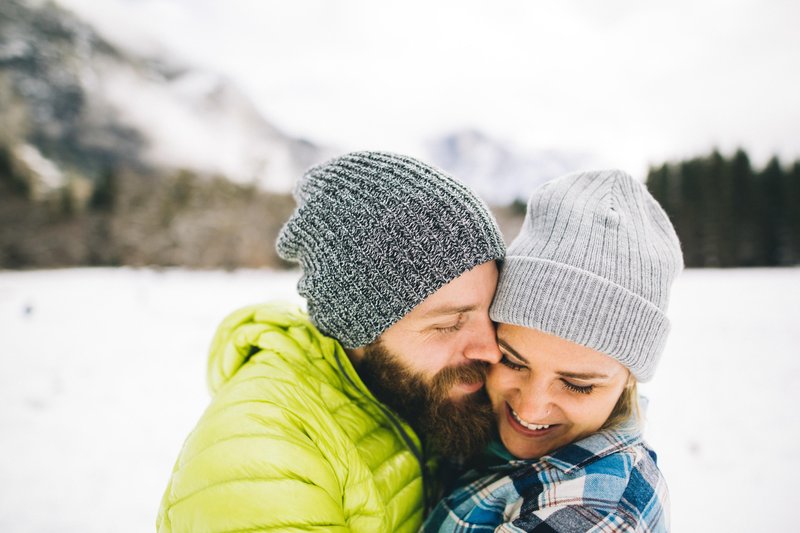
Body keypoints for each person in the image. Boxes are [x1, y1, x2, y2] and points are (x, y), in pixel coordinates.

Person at [156, 151, 506, 532]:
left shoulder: (416, 398)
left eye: (491, 314)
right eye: (449, 324)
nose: (490, 350)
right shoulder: (267, 456)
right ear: (357, 327)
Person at [423, 169, 683, 532]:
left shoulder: (601, 508)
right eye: (513, 361)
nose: (531, 407)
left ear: (628, 380)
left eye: (578, 384)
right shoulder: (468, 426)